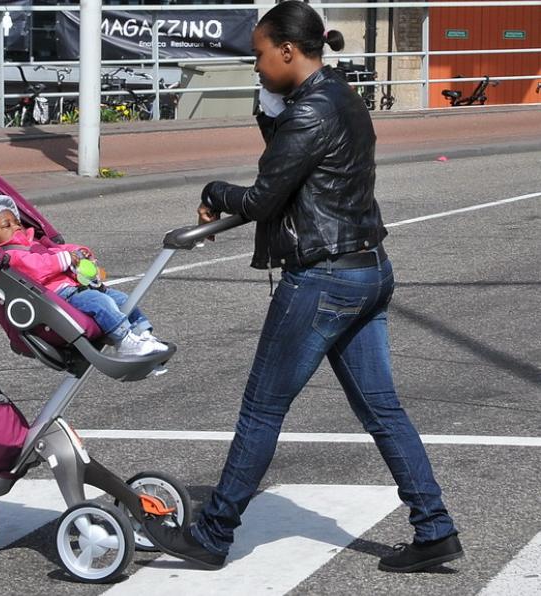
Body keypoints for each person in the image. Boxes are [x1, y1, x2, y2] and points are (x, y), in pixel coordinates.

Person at [143, 0, 463, 575]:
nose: (257, 67)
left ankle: (213, 534)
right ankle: (434, 528)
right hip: (368, 270)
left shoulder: (310, 113)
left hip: (323, 280)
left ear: (288, 51)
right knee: (383, 410)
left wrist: (215, 190)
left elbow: (264, 197)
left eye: (261, 57)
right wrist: (269, 103)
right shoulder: (338, 96)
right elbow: (288, 162)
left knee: (262, 411)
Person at [0, 190, 168, 357]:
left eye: (16, 222)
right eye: (6, 225)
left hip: (78, 287)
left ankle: (144, 334)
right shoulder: (12, 255)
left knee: (125, 299)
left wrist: (79, 252)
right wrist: (64, 259)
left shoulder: (36, 243)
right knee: (101, 303)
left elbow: (58, 249)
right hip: (60, 297)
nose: (15, 227)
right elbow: (37, 267)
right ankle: (125, 341)